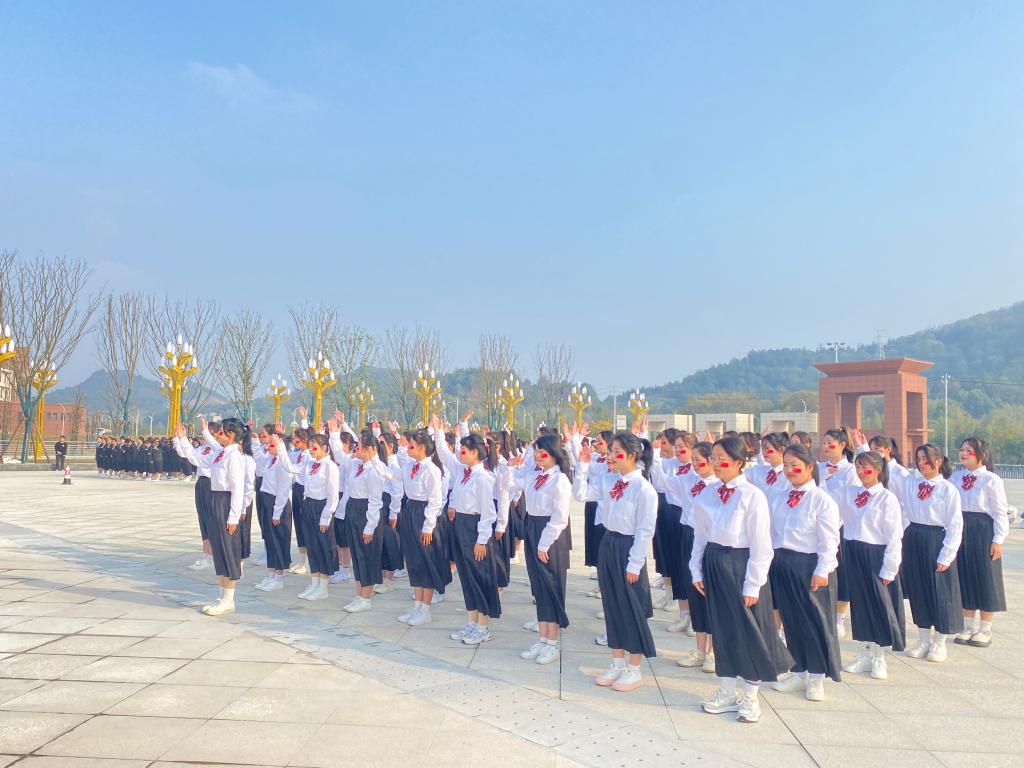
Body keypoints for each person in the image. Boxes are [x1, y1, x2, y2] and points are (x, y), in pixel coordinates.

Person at [692, 436, 793, 724]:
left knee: (750, 631)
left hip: (741, 565)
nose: (715, 463)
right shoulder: (707, 494)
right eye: (713, 458)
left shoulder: (752, 496)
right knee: (722, 628)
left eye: (722, 459)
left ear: (738, 462)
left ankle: (750, 694)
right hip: (714, 562)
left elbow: (762, 545)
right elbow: (700, 535)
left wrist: (753, 584)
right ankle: (726, 690)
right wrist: (695, 569)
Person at [574, 427, 658, 693]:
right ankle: (617, 662)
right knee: (611, 605)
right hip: (608, 544)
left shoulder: (644, 489)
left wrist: (634, 564)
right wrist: (583, 467)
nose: (610, 456)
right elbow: (581, 494)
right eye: (610, 451)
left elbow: (644, 531)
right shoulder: (609, 481)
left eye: (616, 452)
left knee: (631, 607)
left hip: (628, 548)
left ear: (632, 455)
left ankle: (634, 668)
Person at [767, 444, 842, 702]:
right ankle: (798, 670)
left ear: (810, 467)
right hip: (783, 562)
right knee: (791, 619)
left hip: (810, 566)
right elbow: (772, 533)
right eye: (786, 465)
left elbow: (829, 541)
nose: (789, 470)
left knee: (815, 622)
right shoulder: (779, 497)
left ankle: (816, 676)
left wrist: (822, 570)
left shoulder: (822, 500)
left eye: (795, 465)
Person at [830, 451, 906, 680]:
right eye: (858, 467)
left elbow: (894, 536)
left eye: (866, 467)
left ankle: (879, 656)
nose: (861, 472)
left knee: (878, 605)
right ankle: (864, 652)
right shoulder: (849, 492)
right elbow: (826, 498)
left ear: (878, 470)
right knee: (860, 604)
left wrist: (890, 567)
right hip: (852, 550)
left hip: (875, 554)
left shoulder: (886, 498)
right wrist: (825, 475)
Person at [433, 415, 502, 646]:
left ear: (475, 453)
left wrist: (482, 540)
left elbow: (488, 513)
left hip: (475, 528)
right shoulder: (463, 471)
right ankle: (472, 622)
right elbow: (444, 455)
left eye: (463, 450)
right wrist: (438, 433)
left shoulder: (483, 477)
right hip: (460, 526)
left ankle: (483, 626)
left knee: (479, 576)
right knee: (466, 576)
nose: (460, 453)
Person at [505, 434, 573, 666]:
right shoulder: (534, 475)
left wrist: (544, 543)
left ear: (554, 454)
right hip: (532, 526)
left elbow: (560, 517)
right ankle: (543, 639)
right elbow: (509, 485)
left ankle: (552, 643)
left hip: (550, 535)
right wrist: (509, 468)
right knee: (539, 587)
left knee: (551, 587)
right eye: (535, 451)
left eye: (542, 452)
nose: (537, 455)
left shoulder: (560, 480)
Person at [895, 443, 964, 663]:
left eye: (925, 459)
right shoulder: (911, 484)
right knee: (918, 589)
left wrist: (947, 555)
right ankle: (923, 638)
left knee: (940, 591)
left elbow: (955, 525)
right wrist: (862, 448)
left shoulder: (948, 490)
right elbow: (891, 471)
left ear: (938, 461)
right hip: (914, 537)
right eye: (919, 459)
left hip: (937, 539)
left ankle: (940, 642)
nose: (921, 463)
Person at [175, 418, 245, 616]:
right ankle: (222, 596)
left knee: (227, 550)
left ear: (231, 435)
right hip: (216, 499)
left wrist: (233, 517)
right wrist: (183, 439)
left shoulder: (234, 456)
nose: (217, 435)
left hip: (225, 502)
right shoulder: (221, 453)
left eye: (221, 432)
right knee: (219, 549)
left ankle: (229, 599)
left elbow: (238, 489)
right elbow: (196, 459)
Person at [950, 438, 1007, 648]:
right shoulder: (956, 477)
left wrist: (998, 540)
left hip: (983, 530)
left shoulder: (991, 480)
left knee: (986, 577)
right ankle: (968, 626)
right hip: (961, 529)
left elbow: (1000, 513)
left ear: (981, 455)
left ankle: (985, 629)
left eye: (969, 450)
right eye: (962, 449)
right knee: (964, 575)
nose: (963, 453)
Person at [394, 428, 450, 626]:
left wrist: (428, 527)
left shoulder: (431, 469)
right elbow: (394, 474)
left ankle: (425, 608)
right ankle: (417, 605)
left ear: (421, 447)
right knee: (413, 561)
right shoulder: (411, 465)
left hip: (424, 514)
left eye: (410, 445)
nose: (407, 448)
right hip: (410, 510)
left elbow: (435, 500)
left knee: (426, 561)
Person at [276, 431, 340, 602]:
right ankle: (314, 583)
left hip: (322, 507)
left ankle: (323, 586)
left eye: (315, 447)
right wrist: (281, 448)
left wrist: (326, 517)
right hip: (309, 505)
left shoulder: (330, 466)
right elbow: (291, 468)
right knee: (312, 545)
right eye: (310, 447)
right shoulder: (310, 463)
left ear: (325, 448)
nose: (311, 450)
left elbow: (333, 495)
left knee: (323, 546)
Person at [675, 441, 719, 673]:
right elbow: (661, 480)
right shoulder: (689, 480)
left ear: (711, 460)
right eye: (692, 460)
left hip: (708, 541)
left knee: (708, 594)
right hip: (688, 536)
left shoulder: (718, 488)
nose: (693, 464)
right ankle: (700, 649)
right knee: (694, 592)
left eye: (697, 460)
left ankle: (713, 652)